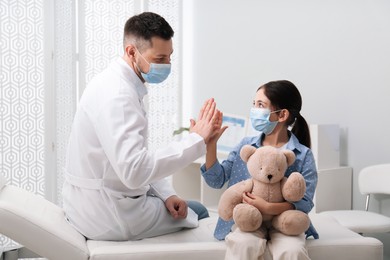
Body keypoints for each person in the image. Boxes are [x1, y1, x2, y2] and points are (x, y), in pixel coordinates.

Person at [62, 12, 223, 241]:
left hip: (93, 201)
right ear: (131, 51)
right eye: (159, 59)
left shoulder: (114, 82)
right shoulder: (118, 96)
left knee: (187, 205)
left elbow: (134, 159)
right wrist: (195, 140)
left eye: (169, 57)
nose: (167, 65)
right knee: (200, 210)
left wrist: (166, 194)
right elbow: (134, 172)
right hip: (107, 213)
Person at [201, 80, 318, 259]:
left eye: (261, 105)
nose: (255, 109)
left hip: (285, 221)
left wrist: (269, 207)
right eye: (254, 104)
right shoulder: (246, 146)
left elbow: (305, 202)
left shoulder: (302, 155)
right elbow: (216, 180)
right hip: (249, 220)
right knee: (242, 244)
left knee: (292, 250)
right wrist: (211, 146)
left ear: (282, 115)